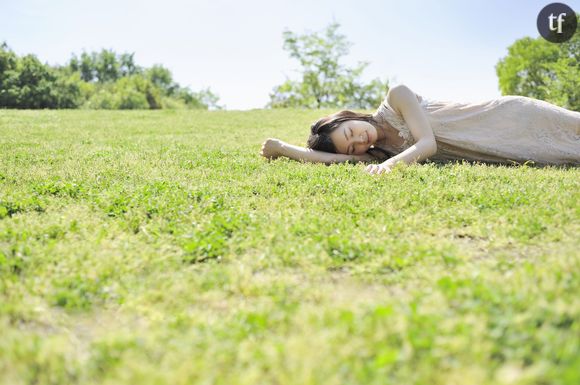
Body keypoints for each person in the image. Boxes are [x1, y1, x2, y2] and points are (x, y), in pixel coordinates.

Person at [259, 84, 580, 174]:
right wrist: (284, 148)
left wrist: (388, 167)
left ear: (347, 118)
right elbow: (336, 162)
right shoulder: (378, 153)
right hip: (505, 148)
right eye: (352, 147)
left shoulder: (396, 97)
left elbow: (427, 143)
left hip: (513, 117)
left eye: (350, 134)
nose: (358, 142)